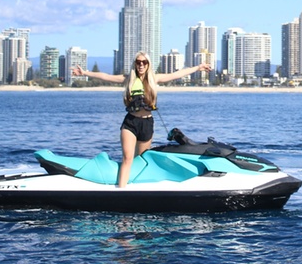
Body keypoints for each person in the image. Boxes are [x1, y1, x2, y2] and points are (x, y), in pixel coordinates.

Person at [71, 53, 212, 188]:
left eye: (144, 62)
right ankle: (121, 191)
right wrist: (85, 73)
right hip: (130, 123)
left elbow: (176, 74)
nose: (141, 65)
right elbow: (106, 76)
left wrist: (198, 67)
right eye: (138, 62)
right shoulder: (129, 79)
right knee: (128, 157)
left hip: (147, 123)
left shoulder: (154, 79)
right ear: (135, 64)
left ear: (148, 64)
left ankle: (135, 186)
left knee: (141, 159)